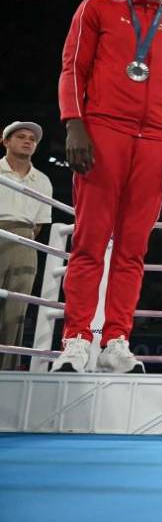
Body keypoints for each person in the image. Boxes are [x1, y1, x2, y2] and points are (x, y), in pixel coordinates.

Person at [51, 0, 162, 373]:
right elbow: (73, 69)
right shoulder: (97, 9)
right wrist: (73, 122)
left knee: (133, 249)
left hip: (156, 142)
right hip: (104, 131)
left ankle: (116, 338)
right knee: (89, 241)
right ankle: (77, 338)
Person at [0, 121, 53, 370]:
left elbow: (40, 225)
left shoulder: (42, 181)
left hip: (25, 242)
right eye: (21, 136)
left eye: (32, 138)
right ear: (6, 141)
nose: (28, 141)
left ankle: (6, 374)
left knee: (15, 313)